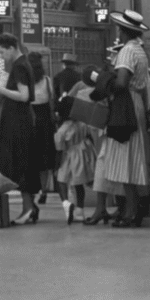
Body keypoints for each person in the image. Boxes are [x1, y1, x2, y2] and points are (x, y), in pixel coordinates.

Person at [85, 9, 150, 228]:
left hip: (126, 107)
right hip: (137, 105)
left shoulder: (126, 52)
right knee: (133, 158)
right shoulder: (140, 51)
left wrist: (104, 80)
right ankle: (133, 210)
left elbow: (122, 82)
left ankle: (130, 213)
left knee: (125, 159)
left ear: (123, 31)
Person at [0, 33, 41, 224]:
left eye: (2, 52)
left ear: (11, 48)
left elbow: (23, 95)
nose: (2, 57)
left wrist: (0, 90)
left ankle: (27, 208)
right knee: (22, 162)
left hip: (17, 123)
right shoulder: (23, 63)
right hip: (21, 121)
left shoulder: (19, 66)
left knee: (20, 162)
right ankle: (29, 207)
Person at [53, 84, 97, 224]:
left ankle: (66, 203)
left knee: (61, 180)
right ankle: (80, 211)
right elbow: (89, 137)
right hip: (82, 154)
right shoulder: (83, 124)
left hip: (68, 156)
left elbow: (60, 150)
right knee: (79, 185)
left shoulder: (61, 131)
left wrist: (56, 165)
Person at [27, 52, 58, 205]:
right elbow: (51, 102)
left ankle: (33, 191)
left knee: (32, 158)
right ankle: (44, 190)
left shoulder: (26, 82)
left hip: (31, 122)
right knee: (46, 158)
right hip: (45, 122)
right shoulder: (47, 80)